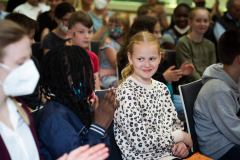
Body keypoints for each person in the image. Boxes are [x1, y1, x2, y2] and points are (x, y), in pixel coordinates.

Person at [0, 18, 110, 160]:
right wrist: (99, 125)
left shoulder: (21, 111)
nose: (31, 68)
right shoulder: (53, 117)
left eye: (30, 59)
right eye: (21, 62)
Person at [114, 31, 192, 160]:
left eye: (152, 58)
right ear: (130, 58)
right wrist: (181, 136)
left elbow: (175, 124)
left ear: (159, 58)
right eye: (140, 59)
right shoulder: (126, 93)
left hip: (169, 155)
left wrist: (180, 144)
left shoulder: (162, 88)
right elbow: (141, 143)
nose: (147, 64)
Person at [38, 45, 119, 160]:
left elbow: (104, 152)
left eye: (91, 71)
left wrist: (100, 124)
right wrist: (99, 125)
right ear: (62, 78)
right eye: (83, 73)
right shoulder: (54, 118)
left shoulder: (78, 105)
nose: (93, 78)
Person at [194, 29, 240, 160]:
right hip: (220, 150)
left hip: (230, 138)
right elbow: (233, 130)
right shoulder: (218, 90)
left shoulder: (234, 78)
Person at [5, 13, 41, 110]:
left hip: (37, 108)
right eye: (31, 37)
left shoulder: (33, 60)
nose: (34, 42)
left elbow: (40, 90)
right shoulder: (4, 67)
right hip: (21, 110)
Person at [176, 7, 216, 86]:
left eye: (205, 21)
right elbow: (190, 73)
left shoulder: (210, 45)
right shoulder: (183, 42)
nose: (202, 24)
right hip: (189, 86)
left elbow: (213, 69)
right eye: (198, 20)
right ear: (190, 22)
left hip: (207, 85)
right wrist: (204, 84)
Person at [67, 11, 101, 90]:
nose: (87, 36)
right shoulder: (64, 57)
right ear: (69, 33)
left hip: (91, 100)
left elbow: (96, 88)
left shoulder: (93, 57)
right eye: (81, 32)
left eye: (90, 32)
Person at [99, 12, 130, 88]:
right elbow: (117, 65)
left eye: (117, 26)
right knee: (123, 85)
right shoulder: (108, 43)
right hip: (108, 77)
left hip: (122, 76)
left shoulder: (129, 44)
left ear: (125, 28)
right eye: (110, 25)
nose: (112, 28)